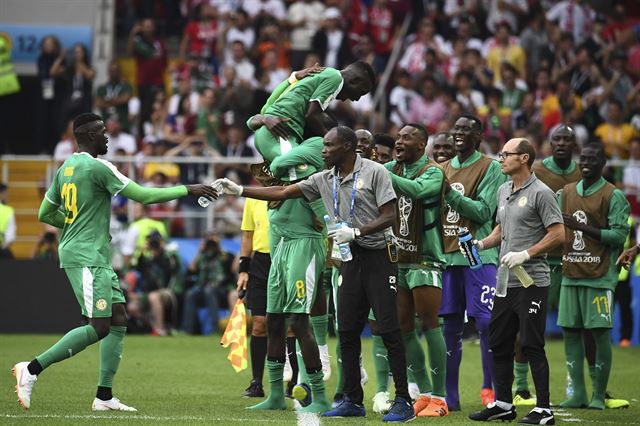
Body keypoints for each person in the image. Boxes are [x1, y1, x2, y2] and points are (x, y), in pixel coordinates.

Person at [12, 112, 217, 411]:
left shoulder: (65, 167)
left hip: (91, 253)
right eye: (103, 131)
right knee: (98, 326)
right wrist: (189, 188)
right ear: (90, 135)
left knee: (118, 319)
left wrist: (75, 225)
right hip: (86, 256)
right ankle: (30, 370)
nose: (108, 136)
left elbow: (45, 213)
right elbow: (144, 196)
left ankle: (104, 396)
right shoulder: (99, 168)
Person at [215, 126, 415, 423]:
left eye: (329, 146)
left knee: (387, 328)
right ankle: (352, 400)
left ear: (347, 147)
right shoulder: (325, 178)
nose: (323, 151)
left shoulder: (375, 172)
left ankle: (403, 401)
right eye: (323, 145)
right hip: (349, 256)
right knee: (346, 329)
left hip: (379, 254)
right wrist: (240, 190)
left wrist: (357, 230)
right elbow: (283, 191)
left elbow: (391, 215)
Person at [468, 138, 564, 425]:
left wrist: (527, 253)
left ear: (523, 158)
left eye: (505, 154)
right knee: (499, 342)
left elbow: (558, 233)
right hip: (504, 281)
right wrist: (482, 243)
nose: (501, 158)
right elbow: (502, 226)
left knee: (532, 343)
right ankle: (503, 404)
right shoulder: (502, 189)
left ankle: (544, 410)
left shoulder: (542, 193)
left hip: (532, 281)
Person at [439, 115, 507, 410]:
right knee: (450, 326)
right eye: (456, 129)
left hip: (479, 255)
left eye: (466, 129)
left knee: (486, 322)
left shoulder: (491, 168)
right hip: (447, 256)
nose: (459, 133)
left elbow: (483, 212)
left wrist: (450, 197)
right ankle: (450, 397)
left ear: (479, 134)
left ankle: (488, 390)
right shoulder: (440, 169)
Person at [510, 125, 580, 405]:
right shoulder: (537, 169)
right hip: (537, 259)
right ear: (550, 143)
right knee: (523, 325)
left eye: (567, 139)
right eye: (557, 139)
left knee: (580, 327)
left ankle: (585, 388)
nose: (561, 143)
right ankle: (522, 385)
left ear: (575, 144)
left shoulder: (583, 171)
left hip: (573, 259)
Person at [557, 143, 630, 410]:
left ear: (604, 164)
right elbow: (554, 228)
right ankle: (577, 393)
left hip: (598, 277)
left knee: (599, 335)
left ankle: (599, 394)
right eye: (583, 158)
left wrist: (582, 227)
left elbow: (619, 236)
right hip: (570, 274)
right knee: (570, 332)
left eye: (592, 158)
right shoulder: (565, 193)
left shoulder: (614, 195)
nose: (586, 162)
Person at [384, 124, 449, 417]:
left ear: (422, 145)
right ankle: (423, 393)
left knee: (429, 323)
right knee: (403, 326)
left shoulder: (433, 172)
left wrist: (385, 175)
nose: (399, 141)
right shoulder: (391, 167)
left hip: (426, 257)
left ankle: (440, 398)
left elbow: (420, 192)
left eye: (406, 137)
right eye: (398, 137)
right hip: (398, 258)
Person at [251, 60, 375, 182]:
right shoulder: (336, 78)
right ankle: (272, 175)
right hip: (280, 136)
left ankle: (275, 178)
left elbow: (267, 106)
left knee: (309, 184)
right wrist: (333, 142)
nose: (357, 99)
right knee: (312, 180)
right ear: (354, 80)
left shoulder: (318, 75)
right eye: (361, 92)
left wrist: (293, 77)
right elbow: (311, 115)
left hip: (274, 134)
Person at [237, 197, 273, 397]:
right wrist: (243, 270)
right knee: (259, 324)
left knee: (291, 325)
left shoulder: (291, 191)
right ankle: (256, 382)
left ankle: (293, 381)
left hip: (286, 256)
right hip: (259, 262)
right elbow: (247, 235)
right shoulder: (253, 197)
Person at [0, 182, 16, 258]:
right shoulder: (8, 211)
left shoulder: (8, 210)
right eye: (5, 193)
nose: (7, 195)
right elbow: (10, 236)